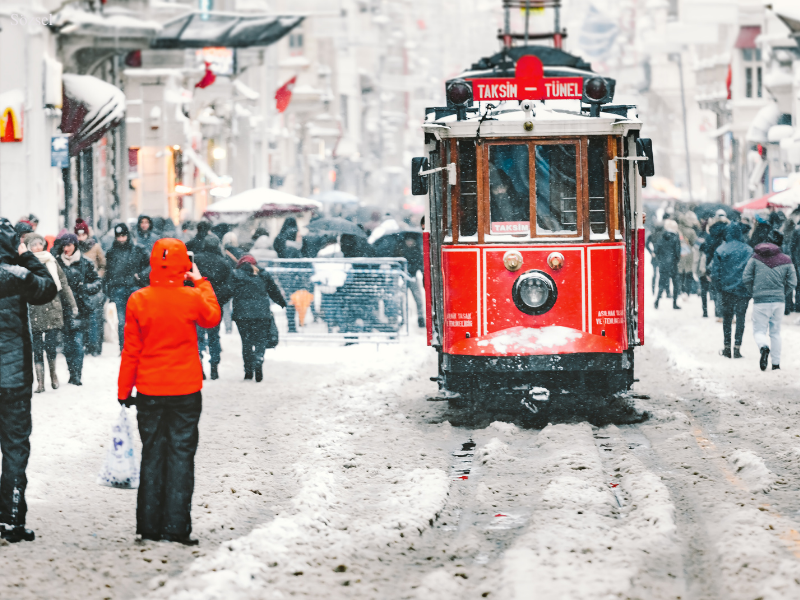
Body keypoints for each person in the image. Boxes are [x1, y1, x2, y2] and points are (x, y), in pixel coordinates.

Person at [117, 238, 221, 545]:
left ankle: (149, 526)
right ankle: (176, 527)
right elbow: (212, 316)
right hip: (185, 390)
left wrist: (124, 390)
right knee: (181, 456)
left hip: (149, 390)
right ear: (184, 265)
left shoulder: (138, 299)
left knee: (152, 454)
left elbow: (131, 351)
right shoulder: (191, 297)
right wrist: (200, 281)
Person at [0, 218, 57, 542]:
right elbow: (47, 288)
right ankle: (11, 519)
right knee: (15, 448)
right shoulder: (17, 275)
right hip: (13, 379)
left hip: (13, 378)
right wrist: (24, 255)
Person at [26, 234, 78, 392]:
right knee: (37, 347)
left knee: (51, 345)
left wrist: (73, 304)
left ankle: (53, 375)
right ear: (29, 247)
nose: (37, 247)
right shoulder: (26, 262)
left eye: (39, 244)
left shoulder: (51, 260)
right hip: (34, 307)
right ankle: (40, 382)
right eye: (33, 245)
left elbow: (63, 282)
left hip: (52, 305)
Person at [743, 234, 796, 371]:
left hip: (760, 301)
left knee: (759, 331)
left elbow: (746, 277)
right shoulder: (786, 260)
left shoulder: (755, 258)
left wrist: (754, 291)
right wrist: (782, 293)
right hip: (779, 301)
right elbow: (793, 282)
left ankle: (763, 347)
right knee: (776, 333)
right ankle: (776, 364)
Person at [231, 255, 286, 381]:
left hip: (242, 315)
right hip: (261, 314)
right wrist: (281, 302)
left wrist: (217, 301)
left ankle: (248, 371)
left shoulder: (236, 275)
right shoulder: (263, 274)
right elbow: (273, 290)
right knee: (260, 339)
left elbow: (228, 291)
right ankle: (259, 357)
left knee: (246, 342)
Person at [57, 234, 102, 386]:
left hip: (80, 307)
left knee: (77, 342)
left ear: (75, 245)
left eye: (69, 245)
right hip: (63, 308)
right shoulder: (58, 263)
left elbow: (97, 282)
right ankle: (71, 372)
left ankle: (76, 375)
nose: (66, 248)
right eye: (64, 245)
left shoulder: (85, 263)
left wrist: (85, 289)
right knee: (67, 344)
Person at [105, 223, 150, 352]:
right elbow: (108, 272)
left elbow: (149, 264)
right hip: (119, 289)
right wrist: (109, 290)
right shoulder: (111, 252)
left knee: (136, 320)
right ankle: (124, 348)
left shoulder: (138, 250)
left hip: (134, 288)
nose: (121, 239)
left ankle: (137, 345)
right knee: (122, 322)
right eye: (119, 236)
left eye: (123, 235)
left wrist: (140, 276)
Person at [711, 222, 754, 358]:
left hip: (726, 290)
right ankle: (737, 347)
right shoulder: (748, 250)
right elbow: (752, 271)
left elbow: (715, 273)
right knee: (741, 318)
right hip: (743, 290)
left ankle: (727, 347)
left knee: (727, 319)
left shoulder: (721, 249)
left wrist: (719, 288)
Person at [194, 236, 233, 380]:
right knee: (214, 336)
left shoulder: (196, 260)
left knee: (198, 337)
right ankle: (214, 366)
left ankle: (199, 366)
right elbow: (229, 287)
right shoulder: (224, 263)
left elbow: (189, 281)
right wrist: (219, 300)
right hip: (215, 305)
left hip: (197, 303)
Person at [75, 219, 107, 356]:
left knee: (95, 319)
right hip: (79, 288)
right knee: (82, 319)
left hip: (93, 287)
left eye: (83, 235)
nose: (81, 238)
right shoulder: (74, 247)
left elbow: (103, 265)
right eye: (79, 235)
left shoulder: (95, 247)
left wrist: (97, 276)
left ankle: (94, 347)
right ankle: (85, 345)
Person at [654, 220, 681, 309]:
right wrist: (676, 260)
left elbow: (656, 250)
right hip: (673, 264)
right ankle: (674, 303)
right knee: (675, 284)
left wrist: (661, 259)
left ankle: (657, 301)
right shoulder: (676, 237)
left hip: (663, 264)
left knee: (662, 283)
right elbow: (677, 251)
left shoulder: (661, 236)